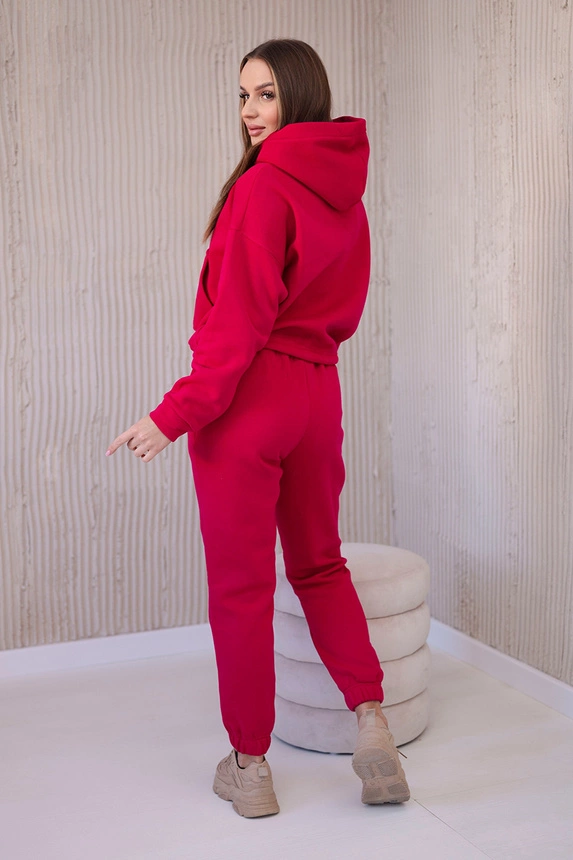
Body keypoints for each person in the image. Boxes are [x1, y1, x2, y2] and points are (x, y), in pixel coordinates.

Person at [107, 38, 409, 818]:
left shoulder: (263, 187)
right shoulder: (347, 198)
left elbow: (236, 327)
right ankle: (370, 719)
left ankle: (249, 767)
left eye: (266, 94)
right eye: (243, 95)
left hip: (246, 398)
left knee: (241, 590)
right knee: (319, 565)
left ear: (299, 96)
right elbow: (340, 310)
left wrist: (171, 416)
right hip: (317, 396)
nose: (249, 111)